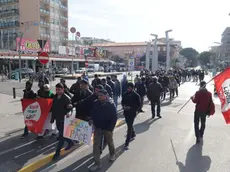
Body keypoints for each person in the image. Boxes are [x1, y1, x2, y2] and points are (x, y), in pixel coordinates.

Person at [89, 89, 117, 171]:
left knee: (109, 142)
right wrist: (91, 119)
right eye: (98, 95)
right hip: (98, 127)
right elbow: (93, 113)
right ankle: (97, 163)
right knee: (96, 145)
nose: (99, 97)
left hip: (107, 128)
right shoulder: (96, 103)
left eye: (101, 95)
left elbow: (114, 118)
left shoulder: (111, 105)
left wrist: (110, 129)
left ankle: (112, 154)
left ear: (106, 96)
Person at [51, 83, 74, 160]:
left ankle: (57, 153)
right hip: (58, 120)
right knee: (63, 135)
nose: (57, 91)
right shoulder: (55, 97)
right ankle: (71, 142)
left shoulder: (66, 98)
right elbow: (53, 108)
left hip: (64, 120)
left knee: (61, 137)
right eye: (56, 89)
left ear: (63, 89)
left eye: (59, 89)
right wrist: (52, 118)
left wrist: (68, 113)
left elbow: (70, 108)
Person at [121, 83, 141, 150]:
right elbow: (122, 102)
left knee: (129, 127)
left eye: (130, 88)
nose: (128, 89)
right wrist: (124, 106)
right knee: (129, 124)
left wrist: (131, 107)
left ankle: (127, 143)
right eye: (128, 88)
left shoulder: (136, 95)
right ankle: (133, 133)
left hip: (132, 113)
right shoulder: (125, 94)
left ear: (132, 88)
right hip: (126, 112)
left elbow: (138, 105)